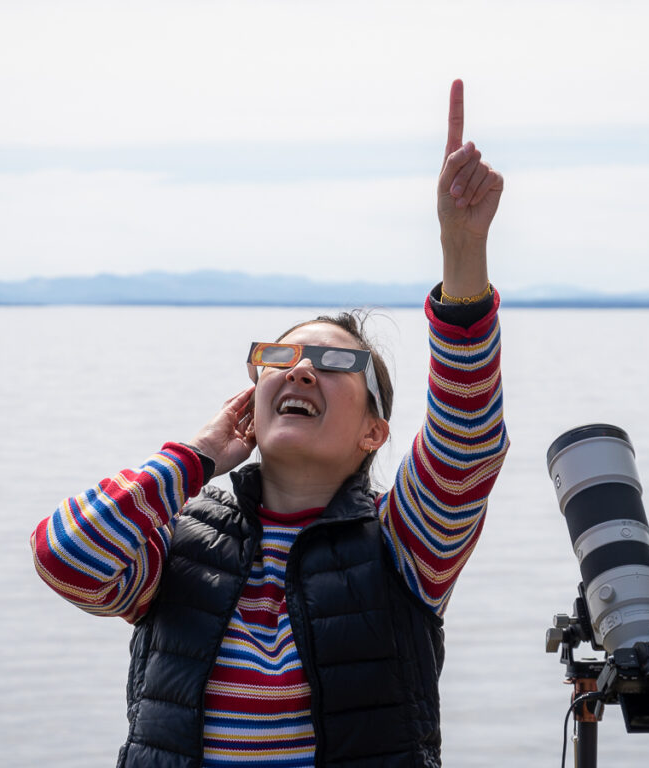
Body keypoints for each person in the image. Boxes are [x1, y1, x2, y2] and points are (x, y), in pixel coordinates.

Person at [31, 79, 509, 768]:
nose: (301, 369)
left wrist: (462, 251)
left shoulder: (404, 545)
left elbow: (467, 443)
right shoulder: (177, 546)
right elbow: (65, 557)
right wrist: (194, 458)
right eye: (281, 357)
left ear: (374, 432)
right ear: (250, 407)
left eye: (334, 361)